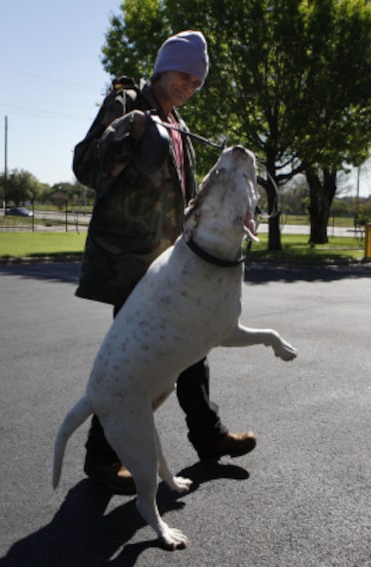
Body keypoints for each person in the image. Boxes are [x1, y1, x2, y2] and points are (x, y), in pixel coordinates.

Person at [71, 30, 256, 494]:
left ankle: (208, 438)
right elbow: (85, 167)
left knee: (193, 350)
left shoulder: (177, 126)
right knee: (130, 364)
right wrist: (126, 135)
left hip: (170, 265)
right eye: (182, 74)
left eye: (196, 80)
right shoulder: (129, 104)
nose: (189, 85)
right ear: (161, 68)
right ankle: (102, 457)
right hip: (129, 262)